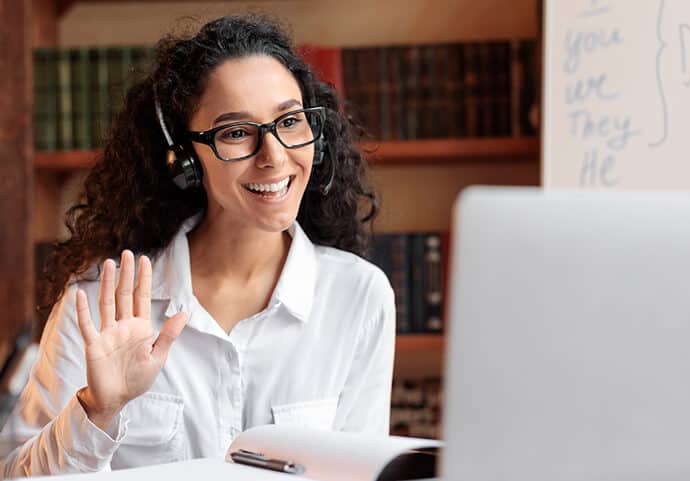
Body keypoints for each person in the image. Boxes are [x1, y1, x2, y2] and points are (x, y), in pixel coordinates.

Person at [1, 14, 395, 477]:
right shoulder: (98, 301)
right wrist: (97, 410)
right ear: (186, 160)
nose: (273, 157)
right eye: (235, 132)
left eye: (289, 121)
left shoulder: (359, 295)